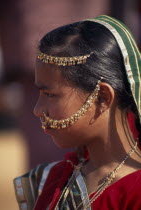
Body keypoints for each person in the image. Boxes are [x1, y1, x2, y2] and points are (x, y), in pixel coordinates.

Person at [14, 15, 141, 210]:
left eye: (50, 94)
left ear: (102, 97)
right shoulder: (58, 176)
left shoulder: (135, 191)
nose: (37, 110)